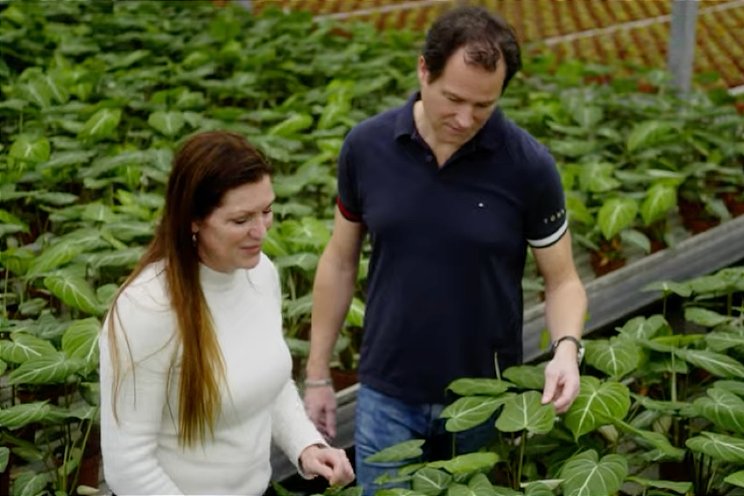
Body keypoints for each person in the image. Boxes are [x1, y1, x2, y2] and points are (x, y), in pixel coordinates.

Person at [303, 6, 587, 494]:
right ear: (423, 70)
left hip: (484, 397)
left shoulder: (528, 166)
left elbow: (562, 281)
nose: (465, 118)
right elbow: (339, 259)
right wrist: (316, 374)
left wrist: (566, 350)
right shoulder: (367, 147)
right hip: (387, 393)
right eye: (452, 99)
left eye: (484, 106)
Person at [100, 131, 354, 495]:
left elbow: (270, 380)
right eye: (240, 220)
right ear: (193, 219)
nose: (261, 231)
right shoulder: (145, 310)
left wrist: (306, 445)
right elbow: (129, 466)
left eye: (266, 211)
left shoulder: (261, 273)